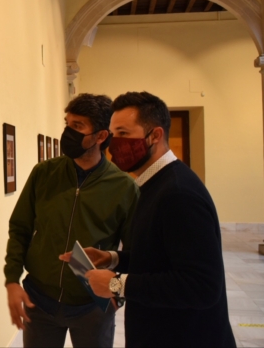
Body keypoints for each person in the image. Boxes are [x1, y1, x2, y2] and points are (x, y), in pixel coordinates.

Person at [61, 91, 236, 347]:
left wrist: (116, 283)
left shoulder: (178, 193)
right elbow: (162, 257)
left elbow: (201, 286)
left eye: (123, 133)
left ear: (155, 135)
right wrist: (115, 258)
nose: (114, 143)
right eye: (113, 134)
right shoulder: (154, 184)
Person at [4, 93, 139, 347]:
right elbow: (20, 228)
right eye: (67, 124)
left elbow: (133, 250)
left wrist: (116, 292)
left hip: (92, 306)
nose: (68, 132)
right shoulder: (44, 173)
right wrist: (12, 279)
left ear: (101, 136)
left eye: (78, 126)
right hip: (39, 300)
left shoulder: (124, 187)